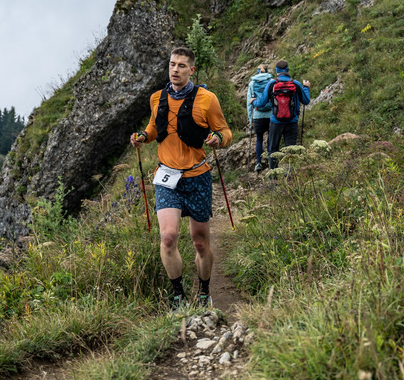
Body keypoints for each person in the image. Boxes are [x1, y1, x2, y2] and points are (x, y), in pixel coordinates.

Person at [130, 46, 232, 311]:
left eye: (181, 66)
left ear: (192, 70)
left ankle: (204, 291)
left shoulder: (207, 99)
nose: (175, 70)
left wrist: (218, 139)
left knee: (200, 242)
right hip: (166, 176)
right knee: (168, 237)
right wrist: (143, 136)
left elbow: (225, 131)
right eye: (172, 64)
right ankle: (177, 296)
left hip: (197, 176)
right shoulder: (156, 98)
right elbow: (155, 128)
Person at [252, 59, 310, 169]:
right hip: (292, 121)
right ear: (287, 69)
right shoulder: (296, 84)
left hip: (275, 121)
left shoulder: (272, 84)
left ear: (276, 70)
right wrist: (306, 87)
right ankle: (291, 178)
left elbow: (261, 103)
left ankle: (273, 179)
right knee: (291, 151)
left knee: (273, 150)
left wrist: (253, 101)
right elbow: (306, 101)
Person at [246, 63, 273, 172]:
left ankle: (258, 163)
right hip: (271, 115)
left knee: (259, 139)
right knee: (271, 139)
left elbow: (249, 103)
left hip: (257, 115)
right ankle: (270, 162)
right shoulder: (272, 82)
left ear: (257, 71)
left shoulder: (252, 83)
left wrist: (250, 119)